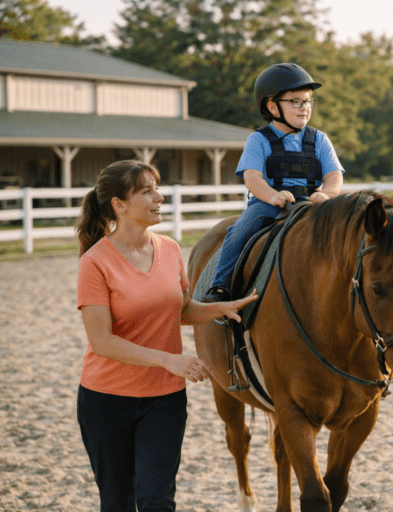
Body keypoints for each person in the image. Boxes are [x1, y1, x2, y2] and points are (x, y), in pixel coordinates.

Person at [75, 160, 258, 511]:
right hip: (107, 400)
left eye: (157, 189)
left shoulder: (170, 250)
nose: (159, 197)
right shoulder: (95, 262)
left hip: (165, 400)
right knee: (118, 502)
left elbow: (180, 310)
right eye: (147, 191)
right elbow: (102, 341)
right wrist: (169, 360)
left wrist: (222, 308)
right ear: (119, 204)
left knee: (158, 500)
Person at [202, 62, 344, 302]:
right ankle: (220, 286)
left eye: (308, 101)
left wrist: (328, 194)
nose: (304, 108)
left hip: (311, 202)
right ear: (272, 106)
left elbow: (334, 175)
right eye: (296, 101)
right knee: (240, 229)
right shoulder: (258, 139)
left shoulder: (319, 139)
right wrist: (272, 196)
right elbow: (252, 177)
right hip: (269, 205)